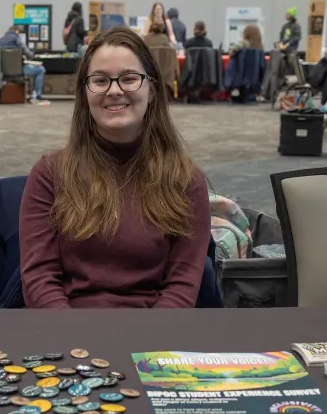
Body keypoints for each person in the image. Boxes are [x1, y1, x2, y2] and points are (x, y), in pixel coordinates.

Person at [19, 26, 210, 308]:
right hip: (68, 338)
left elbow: (181, 288)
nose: (114, 90)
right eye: (100, 80)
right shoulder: (50, 174)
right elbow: (40, 280)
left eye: (129, 78)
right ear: (85, 93)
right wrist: (77, 345)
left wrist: (146, 348)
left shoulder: (185, 181)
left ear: (152, 90)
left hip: (152, 339)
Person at [0, 23, 48, 105]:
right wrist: (32, 52)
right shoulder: (17, 39)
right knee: (40, 69)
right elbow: (29, 54)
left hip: (2, 72)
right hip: (19, 71)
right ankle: (36, 95)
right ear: (16, 31)